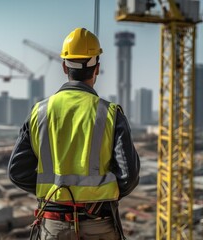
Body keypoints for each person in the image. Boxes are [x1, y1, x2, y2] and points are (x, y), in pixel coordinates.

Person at [8, 27, 140, 240]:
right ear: (96, 68)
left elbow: (17, 171)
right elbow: (128, 176)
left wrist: (54, 193)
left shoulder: (39, 112)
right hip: (98, 225)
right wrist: (99, 196)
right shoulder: (110, 113)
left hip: (53, 225)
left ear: (63, 66)